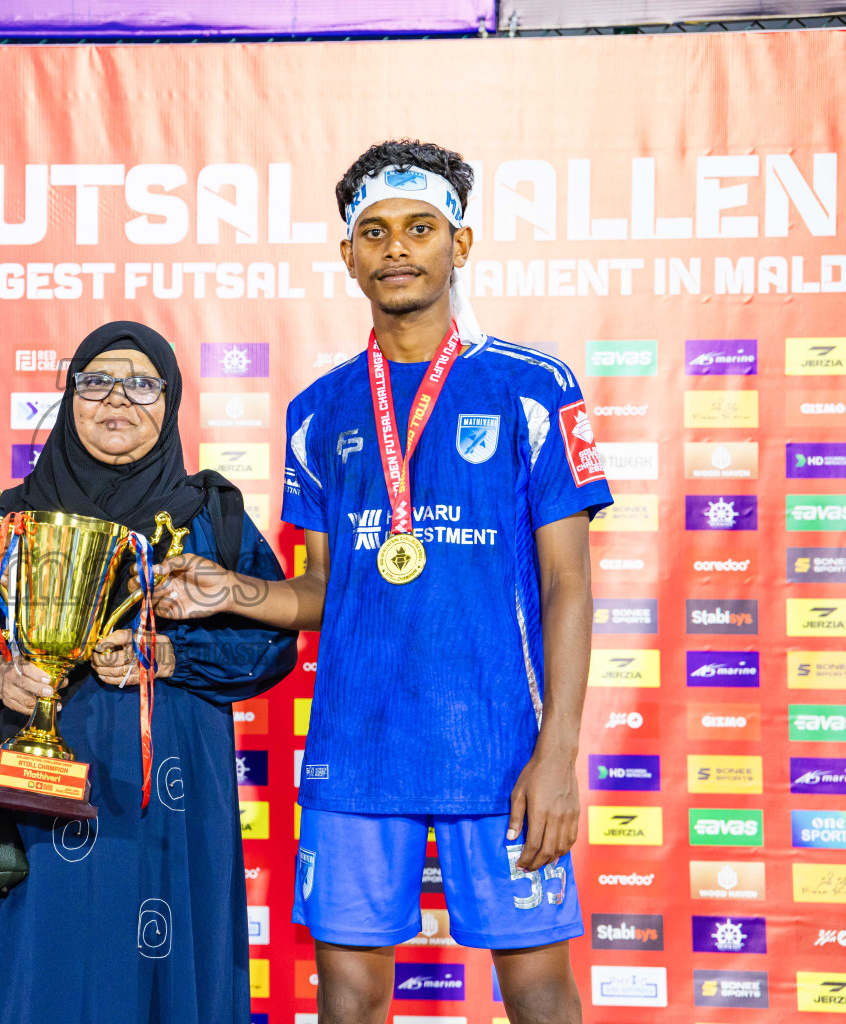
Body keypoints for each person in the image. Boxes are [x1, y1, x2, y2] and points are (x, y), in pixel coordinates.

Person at [154, 139, 612, 1024]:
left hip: (501, 748)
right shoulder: (318, 410)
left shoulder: (532, 387)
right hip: (357, 749)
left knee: (538, 990)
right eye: (373, 232)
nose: (395, 247)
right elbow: (323, 590)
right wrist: (231, 592)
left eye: (419, 228)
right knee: (352, 997)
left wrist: (556, 753)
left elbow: (567, 583)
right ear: (347, 255)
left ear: (460, 245)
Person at [0, 321, 297, 1024]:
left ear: (170, 399)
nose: (116, 399)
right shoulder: (11, 516)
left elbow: (273, 646)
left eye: (141, 384)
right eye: (95, 381)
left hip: (169, 788)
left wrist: (175, 656)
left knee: (168, 969)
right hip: (30, 795)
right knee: (41, 971)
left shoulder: (212, 513)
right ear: (69, 396)